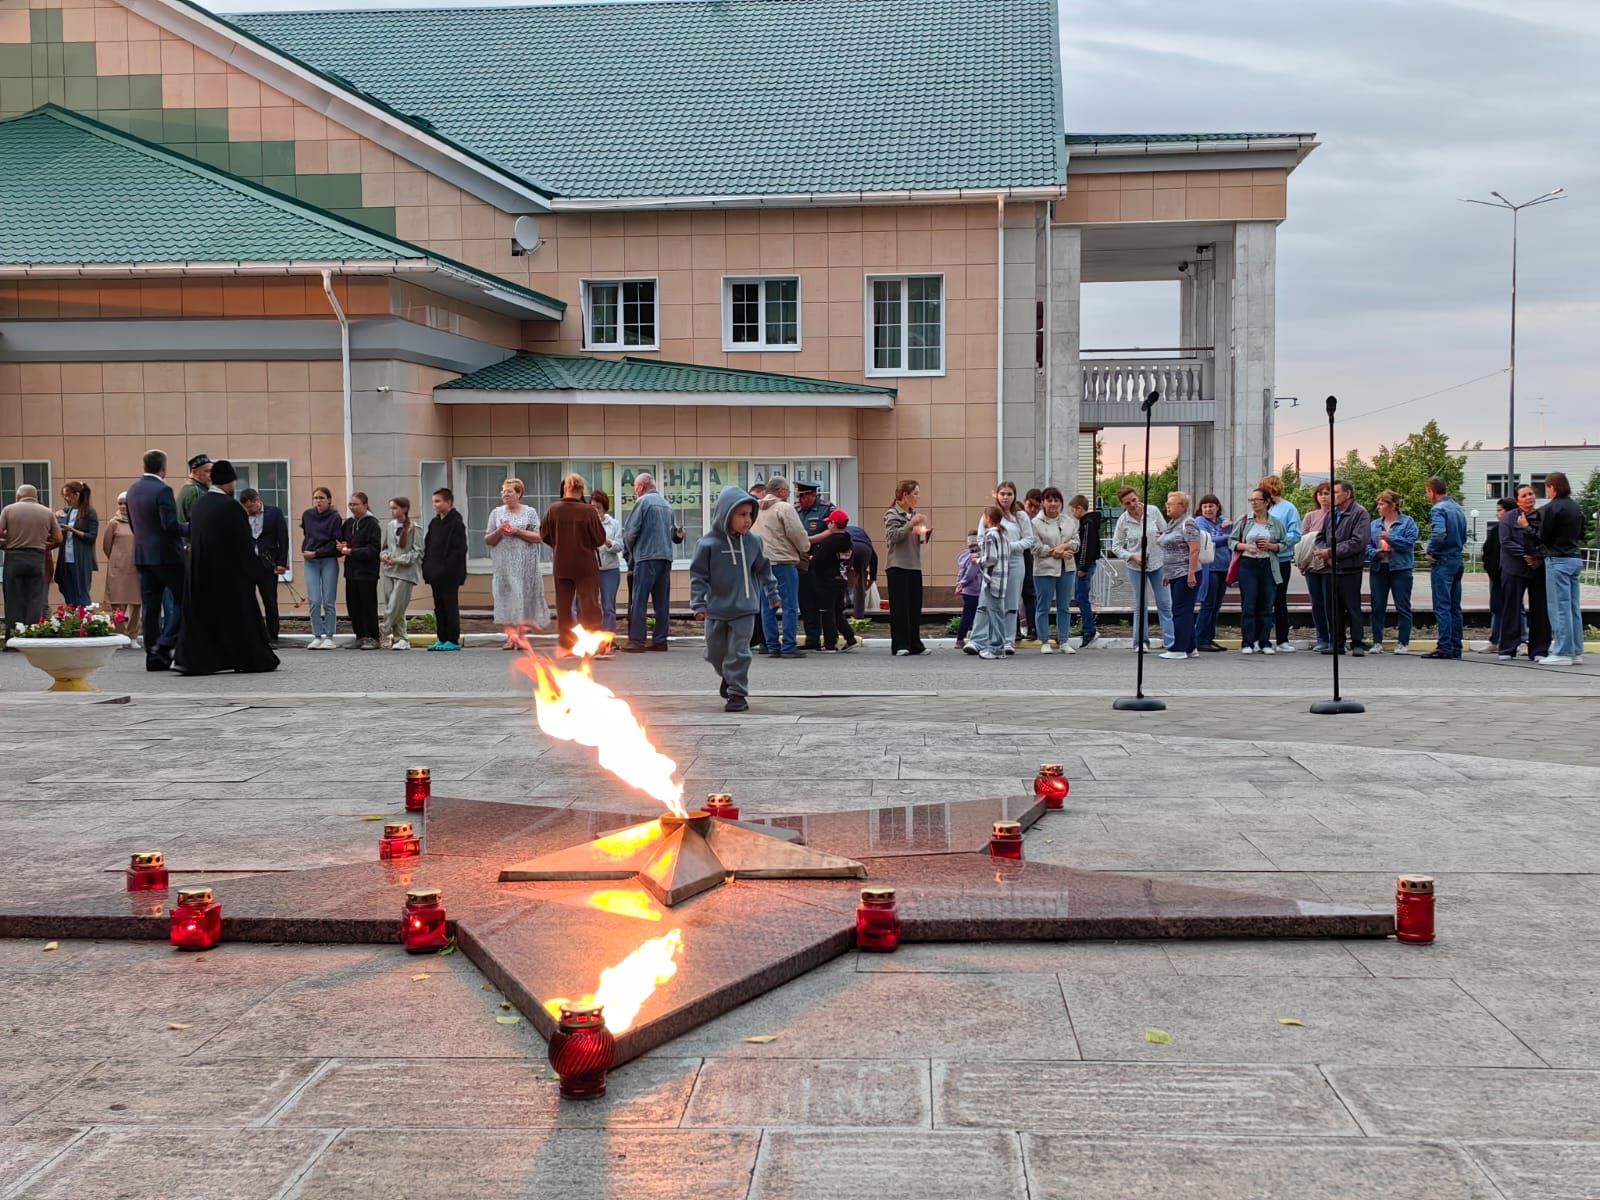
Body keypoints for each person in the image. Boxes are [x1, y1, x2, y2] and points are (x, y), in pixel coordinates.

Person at [173, 460, 278, 676]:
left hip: (201, 575)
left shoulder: (200, 505)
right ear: (228, 483)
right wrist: (251, 571)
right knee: (240, 619)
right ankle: (249, 659)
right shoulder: (231, 508)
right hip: (228, 577)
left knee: (205, 621)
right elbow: (244, 544)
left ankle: (199, 661)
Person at [689, 485, 780, 713]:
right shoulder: (707, 544)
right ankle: (729, 678)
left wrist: (772, 594)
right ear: (726, 514)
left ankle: (737, 694)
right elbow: (698, 576)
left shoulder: (753, 542)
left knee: (739, 653)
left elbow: (763, 570)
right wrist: (698, 604)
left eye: (750, 514)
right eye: (742, 515)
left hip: (745, 609)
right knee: (714, 653)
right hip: (716, 609)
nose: (747, 520)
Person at [123, 450, 185, 670]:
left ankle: (152, 656)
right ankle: (164, 643)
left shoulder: (133, 490)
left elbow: (133, 525)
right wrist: (194, 528)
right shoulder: (163, 490)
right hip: (166, 556)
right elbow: (170, 526)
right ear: (163, 468)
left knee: (151, 606)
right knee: (185, 597)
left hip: (141, 554)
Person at [542, 473, 609, 656]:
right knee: (590, 604)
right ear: (582, 490)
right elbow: (599, 538)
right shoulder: (587, 511)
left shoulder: (554, 509)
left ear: (565, 489)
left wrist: (558, 545)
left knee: (563, 605)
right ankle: (594, 644)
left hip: (561, 564)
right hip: (585, 565)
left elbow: (544, 534)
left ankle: (566, 644)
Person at [484, 478, 549, 647]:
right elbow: (488, 539)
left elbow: (539, 537)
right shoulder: (496, 513)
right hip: (503, 565)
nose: (505, 494)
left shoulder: (529, 512)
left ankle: (520, 636)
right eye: (503, 491)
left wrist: (517, 531)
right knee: (505, 597)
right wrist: (500, 531)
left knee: (522, 598)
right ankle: (510, 636)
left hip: (525, 565)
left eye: (509, 491)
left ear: (519, 493)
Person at [751, 476, 811, 659]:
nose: (789, 495)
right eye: (788, 491)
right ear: (782, 491)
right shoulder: (784, 508)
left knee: (767, 606)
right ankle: (789, 646)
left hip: (762, 564)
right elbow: (797, 533)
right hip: (783, 563)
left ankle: (771, 645)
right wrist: (805, 548)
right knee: (789, 606)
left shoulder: (755, 509)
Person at [621, 472, 677, 653]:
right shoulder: (667, 505)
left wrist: (628, 553)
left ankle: (637, 640)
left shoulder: (643, 502)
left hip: (646, 557)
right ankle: (660, 640)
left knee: (639, 600)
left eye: (635, 487)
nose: (635, 491)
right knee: (662, 602)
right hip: (665, 557)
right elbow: (673, 533)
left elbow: (631, 532)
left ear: (642, 486)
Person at [0, 483, 63, 643]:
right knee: (35, 598)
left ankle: (14, 639)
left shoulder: (8, 510)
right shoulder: (47, 512)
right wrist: (44, 546)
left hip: (14, 558)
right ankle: (33, 637)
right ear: (36, 496)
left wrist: (6, 544)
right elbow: (58, 538)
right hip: (37, 558)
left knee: (13, 599)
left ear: (18, 496)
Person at [1317, 480, 1373, 656]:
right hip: (1331, 568)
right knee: (1333, 608)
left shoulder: (1360, 513)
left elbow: (1358, 541)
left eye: (1336, 492)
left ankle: (1357, 642)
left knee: (1352, 607)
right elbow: (1319, 537)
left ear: (1347, 494)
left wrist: (1331, 553)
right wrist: (1323, 553)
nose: (1332, 496)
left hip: (1350, 568)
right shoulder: (1331, 514)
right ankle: (1337, 642)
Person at [1111, 486, 1171, 650]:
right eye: (1127, 503)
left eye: (1134, 500)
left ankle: (1170, 641)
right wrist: (1131, 556)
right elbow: (1116, 546)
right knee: (1140, 604)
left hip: (1158, 562)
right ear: (1123, 505)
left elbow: (1166, 532)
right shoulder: (1123, 520)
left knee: (1165, 603)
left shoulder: (1153, 511)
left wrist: (1163, 537)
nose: (1132, 505)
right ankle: (1141, 641)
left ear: (1138, 497)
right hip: (1135, 566)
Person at [1536, 470, 1586, 665]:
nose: (1547, 492)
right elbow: (1581, 532)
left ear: (1553, 487)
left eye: (1547, 488)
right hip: (1574, 558)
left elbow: (1544, 536)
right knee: (1573, 606)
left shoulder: (1552, 508)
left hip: (1558, 560)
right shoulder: (1575, 507)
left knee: (1558, 606)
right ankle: (1575, 650)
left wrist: (1528, 527)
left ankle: (1562, 652)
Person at [1496, 484, 1550, 663]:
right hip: (1514, 569)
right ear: (1517, 500)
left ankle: (1539, 649)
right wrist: (1526, 555)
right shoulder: (1508, 518)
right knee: (1511, 608)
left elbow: (1545, 540)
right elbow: (1506, 542)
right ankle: (1508, 648)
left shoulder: (1542, 516)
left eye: (1531, 494)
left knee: (1540, 609)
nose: (1529, 497)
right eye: (1525, 495)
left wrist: (1537, 557)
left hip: (1537, 568)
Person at [1230, 487, 1287, 654]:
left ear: (1267, 502)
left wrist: (1272, 546)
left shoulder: (1276, 522)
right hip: (1248, 564)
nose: (1253, 503)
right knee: (1249, 604)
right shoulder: (1245, 520)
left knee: (1267, 605)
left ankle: (1264, 642)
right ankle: (1247, 642)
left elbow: (1284, 543)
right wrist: (1245, 546)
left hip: (1269, 564)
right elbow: (1231, 541)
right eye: (1251, 500)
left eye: (1257, 499)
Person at [1367, 489, 1419, 654]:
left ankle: (1403, 642)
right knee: (1377, 606)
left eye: (1382, 504)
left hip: (1401, 569)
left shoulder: (1407, 522)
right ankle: (1377, 642)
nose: (1378, 507)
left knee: (1402, 606)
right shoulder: (1374, 524)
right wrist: (1374, 553)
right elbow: (1366, 545)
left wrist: (1390, 537)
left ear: (1393, 506)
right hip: (1379, 568)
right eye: (1378, 503)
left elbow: (1409, 543)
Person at [1422, 476, 1468, 661]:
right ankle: (1456, 645)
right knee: (1455, 606)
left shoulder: (1438, 509)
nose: (1427, 495)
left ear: (1432, 490)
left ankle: (1444, 646)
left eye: (1427, 491)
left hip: (1443, 561)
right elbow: (1464, 535)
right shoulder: (1458, 508)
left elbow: (1439, 533)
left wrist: (1430, 551)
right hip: (1457, 560)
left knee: (1442, 606)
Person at [883, 479, 930, 656]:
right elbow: (893, 536)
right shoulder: (892, 514)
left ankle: (915, 643)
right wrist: (911, 524)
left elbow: (917, 539)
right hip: (897, 566)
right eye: (915, 494)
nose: (918, 497)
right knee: (900, 608)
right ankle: (900, 644)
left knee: (914, 607)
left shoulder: (913, 514)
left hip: (914, 565)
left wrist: (924, 532)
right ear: (905, 495)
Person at [1030, 487, 1079, 654]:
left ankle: (1064, 640)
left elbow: (1076, 542)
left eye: (1056, 500)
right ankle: (1044, 640)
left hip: (1067, 567)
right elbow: (1035, 547)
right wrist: (1054, 552)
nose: (1053, 504)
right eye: (1049, 500)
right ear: (1043, 502)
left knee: (1064, 606)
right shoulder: (1035, 523)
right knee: (1043, 605)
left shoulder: (1068, 521)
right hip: (1045, 569)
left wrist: (1062, 548)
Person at [988, 483, 1034, 655]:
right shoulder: (991, 513)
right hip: (995, 562)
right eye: (1002, 493)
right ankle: (994, 638)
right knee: (994, 601)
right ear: (997, 495)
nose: (1005, 497)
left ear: (1014, 496)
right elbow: (980, 537)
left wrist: (1008, 546)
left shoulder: (1020, 516)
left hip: (1015, 560)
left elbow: (1029, 540)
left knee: (1012, 603)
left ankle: (1008, 640)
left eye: (1009, 494)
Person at [239, 487, 289, 645]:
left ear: (257, 500)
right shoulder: (241, 516)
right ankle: (251, 634)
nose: (249, 510)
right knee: (247, 600)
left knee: (270, 600)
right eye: (245, 508)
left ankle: (272, 636)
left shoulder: (274, 513)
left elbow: (283, 538)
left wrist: (282, 562)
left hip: (268, 563)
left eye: (250, 507)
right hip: (248, 563)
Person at [1157, 491, 1203, 660]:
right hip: (1174, 573)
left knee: (1180, 611)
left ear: (1182, 507)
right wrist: (1167, 573)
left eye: (1172, 504)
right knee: (1184, 610)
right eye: (1167, 503)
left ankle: (1178, 648)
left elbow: (1194, 549)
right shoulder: (1172, 523)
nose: (1167, 506)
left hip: (1186, 572)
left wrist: (1191, 573)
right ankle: (1190, 647)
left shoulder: (1188, 523)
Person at [1259, 475, 1303, 652]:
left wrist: (1277, 544)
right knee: (1262, 600)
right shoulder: (1261, 509)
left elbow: (1296, 534)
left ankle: (1282, 639)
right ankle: (1261, 639)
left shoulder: (1288, 509)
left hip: (1281, 559)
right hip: (1261, 559)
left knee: (1279, 600)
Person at [422, 488, 467, 652]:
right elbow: (429, 546)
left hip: (449, 574)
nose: (435, 505)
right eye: (434, 501)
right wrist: (427, 567)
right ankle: (441, 637)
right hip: (434, 573)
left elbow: (459, 550)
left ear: (448, 502)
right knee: (438, 606)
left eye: (438, 501)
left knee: (449, 605)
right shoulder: (434, 523)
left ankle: (452, 639)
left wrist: (446, 568)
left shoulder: (456, 523)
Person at [809, 509, 859, 652]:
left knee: (826, 612)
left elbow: (819, 560)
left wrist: (812, 559)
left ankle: (830, 643)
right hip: (841, 580)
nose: (827, 525)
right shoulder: (847, 540)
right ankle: (850, 637)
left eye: (829, 523)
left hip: (827, 581)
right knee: (837, 613)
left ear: (835, 524)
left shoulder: (830, 542)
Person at [794, 481, 836, 650]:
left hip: (821, 561)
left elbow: (833, 531)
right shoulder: (795, 511)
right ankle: (812, 638)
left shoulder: (827, 509)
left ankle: (829, 640)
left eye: (803, 497)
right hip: (802, 561)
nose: (801, 501)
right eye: (799, 497)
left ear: (811, 495)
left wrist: (808, 541)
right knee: (806, 601)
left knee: (824, 603)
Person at [339, 492, 384, 650]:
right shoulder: (349, 523)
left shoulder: (372, 524)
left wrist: (351, 552)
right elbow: (344, 541)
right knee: (353, 605)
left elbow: (373, 550)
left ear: (365, 505)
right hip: (351, 571)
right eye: (350, 504)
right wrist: (342, 546)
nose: (352, 507)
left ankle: (372, 637)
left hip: (367, 572)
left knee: (368, 605)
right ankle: (359, 635)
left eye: (356, 504)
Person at [300, 487, 343, 650]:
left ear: (329, 500)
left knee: (328, 600)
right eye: (316, 498)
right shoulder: (307, 515)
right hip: (310, 560)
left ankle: (329, 636)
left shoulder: (335, 517)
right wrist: (308, 551)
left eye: (322, 498)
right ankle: (317, 635)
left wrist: (317, 553)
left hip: (327, 559)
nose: (318, 501)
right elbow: (307, 534)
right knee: (314, 600)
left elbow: (336, 542)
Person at [378, 497, 423, 652]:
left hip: (405, 573)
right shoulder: (390, 526)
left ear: (405, 509)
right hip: (389, 571)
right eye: (391, 508)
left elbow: (418, 552)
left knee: (395, 605)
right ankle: (401, 638)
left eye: (395, 508)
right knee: (397, 608)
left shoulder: (414, 528)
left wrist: (397, 560)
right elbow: (385, 547)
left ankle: (382, 630)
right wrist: (384, 556)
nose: (392, 511)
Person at [100, 492, 142, 646]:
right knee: (118, 604)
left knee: (136, 603)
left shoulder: (138, 521)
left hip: (136, 567)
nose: (123, 507)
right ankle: (119, 635)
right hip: (118, 569)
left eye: (126, 503)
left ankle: (132, 636)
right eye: (120, 503)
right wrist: (117, 559)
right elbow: (107, 546)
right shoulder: (114, 523)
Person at [1193, 495, 1232, 652]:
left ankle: (1209, 638)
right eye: (1205, 506)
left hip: (1223, 568)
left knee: (1216, 605)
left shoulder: (1223, 521)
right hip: (1210, 568)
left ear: (1217, 507)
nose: (1208, 509)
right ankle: (1200, 639)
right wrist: (1227, 534)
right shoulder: (1199, 522)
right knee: (1208, 604)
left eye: (1211, 506)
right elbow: (1209, 540)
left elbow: (1235, 534)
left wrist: (1229, 530)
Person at [970, 505, 1010, 660]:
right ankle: (998, 647)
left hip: (992, 580)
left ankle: (996, 648)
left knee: (994, 615)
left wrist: (977, 560)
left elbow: (991, 558)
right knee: (998, 614)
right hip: (1002, 580)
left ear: (987, 519)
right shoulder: (1003, 536)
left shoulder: (989, 536)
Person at [1299, 483, 1334, 652]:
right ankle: (1321, 637)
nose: (1323, 497)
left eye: (1327, 493)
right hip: (1311, 564)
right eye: (1320, 494)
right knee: (1317, 602)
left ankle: (1334, 637)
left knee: (1331, 603)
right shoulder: (1310, 516)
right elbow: (1302, 540)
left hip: (1329, 565)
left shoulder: (1337, 515)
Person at [53, 482, 99, 609]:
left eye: (68, 495)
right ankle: (73, 620)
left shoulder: (90, 512)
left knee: (81, 592)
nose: (66, 499)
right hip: (65, 558)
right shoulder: (68, 510)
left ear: (77, 494)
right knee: (67, 590)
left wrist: (72, 530)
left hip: (81, 559)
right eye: (64, 496)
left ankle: (85, 620)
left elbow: (91, 537)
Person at [1483, 496, 1517, 650]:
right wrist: (1491, 571)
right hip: (1497, 575)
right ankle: (1495, 639)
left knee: (1517, 608)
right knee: (1496, 607)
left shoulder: (1517, 528)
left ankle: (1520, 640)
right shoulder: (1496, 530)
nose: (1497, 514)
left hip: (1512, 574)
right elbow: (1487, 552)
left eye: (1499, 510)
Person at [591, 490, 625, 636]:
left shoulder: (614, 524)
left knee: (608, 605)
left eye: (598, 507)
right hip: (591, 570)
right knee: (591, 604)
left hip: (609, 570)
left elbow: (620, 546)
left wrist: (606, 541)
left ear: (604, 508)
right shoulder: (587, 523)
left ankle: (608, 638)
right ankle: (592, 637)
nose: (595, 510)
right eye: (592, 507)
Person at [1068, 495, 1100, 648]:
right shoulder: (1089, 523)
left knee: (1081, 596)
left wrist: (1082, 567)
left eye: (1072, 510)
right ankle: (1087, 627)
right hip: (1087, 564)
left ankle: (1089, 629)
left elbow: (1085, 547)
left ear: (1079, 508)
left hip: (1085, 566)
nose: (1072, 513)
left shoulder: (1087, 524)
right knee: (1081, 595)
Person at [1017, 488, 1043, 644]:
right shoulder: (1019, 516)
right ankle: (1014, 630)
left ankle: (1032, 628)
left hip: (1028, 556)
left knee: (1029, 594)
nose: (1032, 509)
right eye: (1030, 505)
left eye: (1036, 506)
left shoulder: (1037, 521)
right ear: (1025, 502)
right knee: (1013, 594)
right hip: (1015, 554)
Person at [954, 532, 981, 651]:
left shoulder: (964, 556)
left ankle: (961, 638)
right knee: (972, 615)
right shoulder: (975, 556)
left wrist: (959, 584)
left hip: (967, 590)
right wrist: (963, 583)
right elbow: (971, 573)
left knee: (967, 615)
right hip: (975, 589)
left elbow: (961, 572)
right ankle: (962, 639)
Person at [847, 523, 878, 620]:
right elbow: (874, 558)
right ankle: (858, 617)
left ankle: (837, 614)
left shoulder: (840, 533)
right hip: (864, 548)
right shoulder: (864, 537)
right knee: (860, 583)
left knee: (839, 577)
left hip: (847, 545)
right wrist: (872, 578)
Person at [176, 454, 211, 524]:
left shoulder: (189, 489)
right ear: (195, 472)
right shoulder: (195, 491)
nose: (210, 475)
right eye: (206, 471)